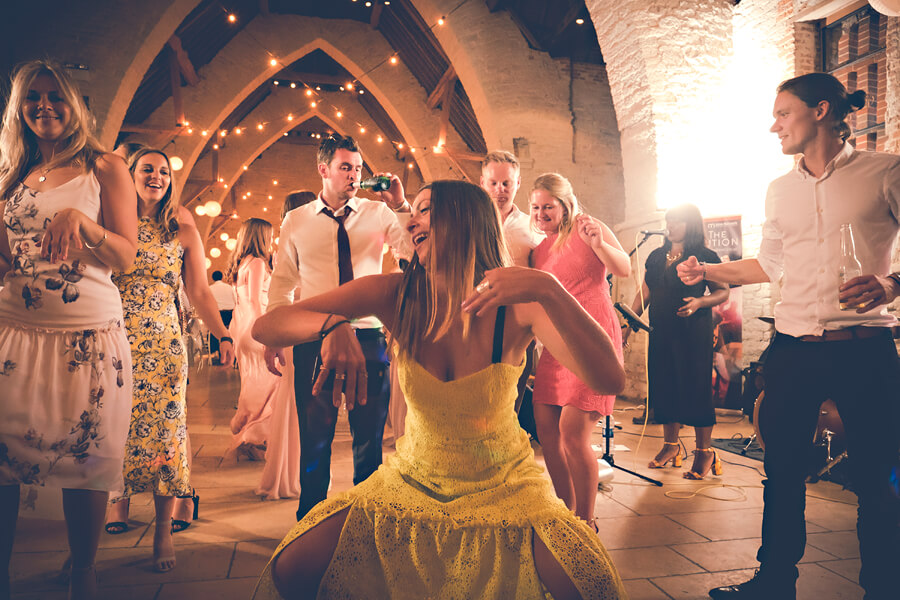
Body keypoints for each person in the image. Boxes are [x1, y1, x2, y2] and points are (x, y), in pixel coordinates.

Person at [250, 180, 627, 600]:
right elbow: (267, 325)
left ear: (466, 218)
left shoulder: (519, 304)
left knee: (594, 584)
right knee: (291, 567)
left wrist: (549, 288)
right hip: (415, 477)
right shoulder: (395, 292)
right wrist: (332, 324)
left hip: (505, 484)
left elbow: (610, 380)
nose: (412, 221)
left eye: (426, 210)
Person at [677, 73, 900, 600]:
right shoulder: (778, 190)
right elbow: (769, 263)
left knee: (876, 478)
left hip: (864, 348)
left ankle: (884, 587)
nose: (773, 125)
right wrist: (709, 273)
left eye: (783, 113)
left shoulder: (884, 171)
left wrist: (892, 284)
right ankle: (774, 581)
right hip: (794, 347)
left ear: (820, 110)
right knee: (780, 470)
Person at [0, 59, 137, 600]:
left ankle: (84, 571)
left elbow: (126, 255)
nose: (44, 106)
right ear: (18, 108)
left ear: (75, 103)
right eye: (31, 97)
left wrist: (83, 223)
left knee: (88, 457)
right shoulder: (12, 171)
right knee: (2, 454)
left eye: (55, 96)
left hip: (86, 335)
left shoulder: (104, 167)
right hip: (14, 331)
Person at [263, 134, 412, 520]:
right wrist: (277, 335)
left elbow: (413, 253)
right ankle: (310, 522)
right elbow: (282, 282)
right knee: (315, 441)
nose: (353, 175)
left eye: (358, 168)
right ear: (323, 169)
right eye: (346, 167)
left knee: (370, 441)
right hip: (314, 337)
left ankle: (367, 522)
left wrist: (399, 205)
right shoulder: (295, 220)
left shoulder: (379, 215)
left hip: (368, 335)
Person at [106, 148, 234, 573]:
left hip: (163, 347)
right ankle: (115, 502)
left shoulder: (181, 228)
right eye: (148, 169)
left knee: (165, 435)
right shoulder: (110, 218)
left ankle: (162, 530)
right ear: (131, 175)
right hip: (113, 341)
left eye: (164, 171)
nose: (157, 176)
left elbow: (198, 289)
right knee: (112, 428)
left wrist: (223, 334)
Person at [528, 173, 630, 527]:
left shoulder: (588, 228)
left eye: (548, 207)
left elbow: (624, 269)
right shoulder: (538, 250)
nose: (541, 213)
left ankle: (585, 522)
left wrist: (599, 243)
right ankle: (565, 511)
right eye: (536, 207)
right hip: (556, 344)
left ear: (565, 204)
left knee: (573, 433)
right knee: (546, 428)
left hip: (592, 336)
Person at [624, 203, 729, 479]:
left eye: (678, 221)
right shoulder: (657, 256)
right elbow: (644, 292)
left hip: (693, 331)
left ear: (691, 224)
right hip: (661, 330)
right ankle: (671, 446)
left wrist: (700, 302)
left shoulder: (704, 256)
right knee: (665, 387)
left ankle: (705, 452)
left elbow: (723, 291)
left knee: (695, 389)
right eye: (669, 221)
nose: (671, 226)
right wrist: (629, 324)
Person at [255, 191, 317, 500]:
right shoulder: (305, 242)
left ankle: (287, 474)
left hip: (296, 327)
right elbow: (284, 291)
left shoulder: (286, 245)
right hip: (303, 328)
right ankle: (298, 475)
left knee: (293, 399)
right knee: (301, 400)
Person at [481, 151, 546, 420]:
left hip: (520, 321)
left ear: (518, 183)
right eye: (494, 183)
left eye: (507, 183)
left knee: (515, 392)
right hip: (480, 316)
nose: (500, 190)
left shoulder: (533, 226)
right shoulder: (470, 221)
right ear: (482, 182)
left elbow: (543, 269)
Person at [225, 218, 275, 460]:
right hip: (256, 330)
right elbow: (255, 300)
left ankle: (249, 437)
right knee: (273, 386)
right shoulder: (256, 263)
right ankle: (251, 435)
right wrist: (266, 332)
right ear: (261, 236)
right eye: (270, 235)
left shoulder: (240, 264)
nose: (272, 240)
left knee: (255, 387)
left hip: (244, 331)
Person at [209, 270, 235, 364]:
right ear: (222, 277)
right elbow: (236, 300)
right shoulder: (229, 287)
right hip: (230, 314)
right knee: (232, 331)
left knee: (213, 331)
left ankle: (217, 352)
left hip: (218, 315)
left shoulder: (210, 288)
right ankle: (234, 352)